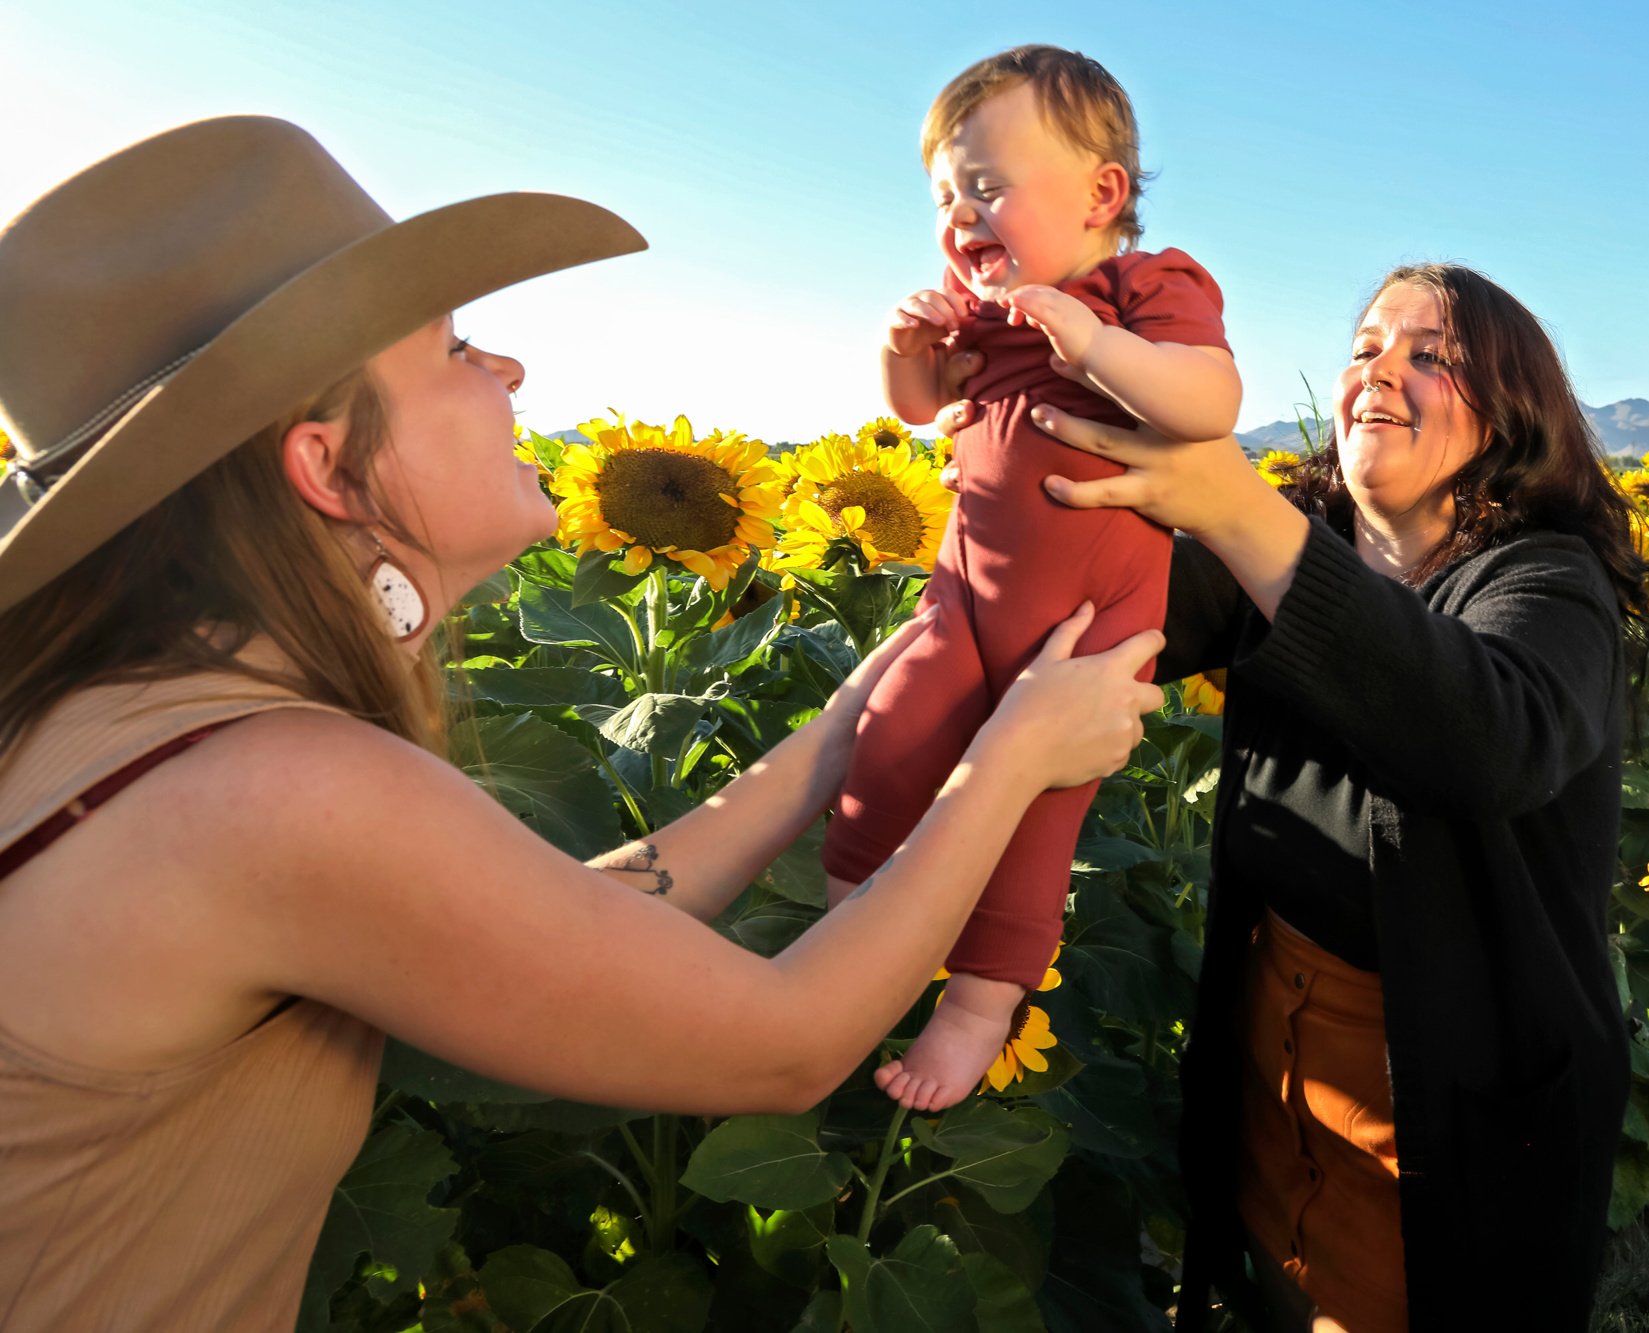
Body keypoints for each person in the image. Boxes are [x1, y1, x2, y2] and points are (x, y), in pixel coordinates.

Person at [0, 116, 1165, 1331]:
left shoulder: (136, 718)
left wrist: (843, 728)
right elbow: (787, 1043)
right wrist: (1014, 755)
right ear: (328, 465)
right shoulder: (269, 782)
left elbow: (557, 927)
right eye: (452, 350)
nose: (506, 371)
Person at [939, 264, 1649, 1330]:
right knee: (1273, 1292)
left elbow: (1482, 740)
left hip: (1447, 1094)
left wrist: (1235, 509)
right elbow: (1097, 614)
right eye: (1365, 346)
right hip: (1272, 1044)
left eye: (1431, 355)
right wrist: (1025, 408)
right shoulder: (1282, 543)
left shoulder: (1547, 583)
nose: (1380, 370)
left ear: (1512, 409)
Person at [822, 44, 1241, 1112]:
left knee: (1036, 820)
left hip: (1084, 638)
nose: (960, 213)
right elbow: (919, 406)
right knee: (892, 736)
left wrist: (1097, 345)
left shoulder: (1146, 290)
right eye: (943, 195)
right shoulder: (982, 315)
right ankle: (845, 929)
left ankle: (975, 1011)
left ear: (1102, 194)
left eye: (986, 186)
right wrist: (904, 349)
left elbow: (1206, 402)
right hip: (962, 602)